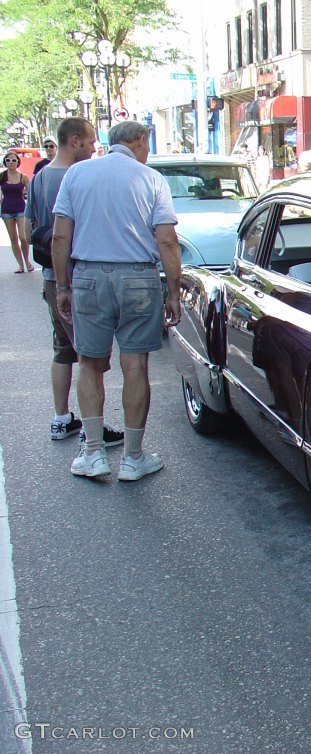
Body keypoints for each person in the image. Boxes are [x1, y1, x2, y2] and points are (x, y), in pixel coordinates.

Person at [51, 120, 182, 481]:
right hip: (138, 277)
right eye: (147, 144)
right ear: (139, 141)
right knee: (134, 365)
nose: (147, 151)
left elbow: (61, 236)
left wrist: (63, 286)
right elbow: (167, 240)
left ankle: (94, 453)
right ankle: (132, 457)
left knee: (89, 363)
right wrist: (173, 290)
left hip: (89, 276)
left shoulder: (77, 175)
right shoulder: (150, 179)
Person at [27, 117, 123, 446]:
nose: (95, 146)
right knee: (89, 356)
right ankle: (91, 431)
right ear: (74, 141)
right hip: (73, 275)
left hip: (50, 276)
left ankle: (61, 418)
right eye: (91, 140)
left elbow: (30, 231)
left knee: (62, 350)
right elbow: (69, 231)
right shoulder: (77, 176)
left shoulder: (39, 177)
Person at [2, 150, 32, 272]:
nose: (11, 162)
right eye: (8, 160)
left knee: (23, 237)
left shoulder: (23, 177)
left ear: (17, 162)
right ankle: (20, 265)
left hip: (20, 208)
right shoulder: (2, 176)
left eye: (14, 160)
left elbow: (30, 193)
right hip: (6, 210)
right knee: (13, 238)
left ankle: (27, 261)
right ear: (5, 162)